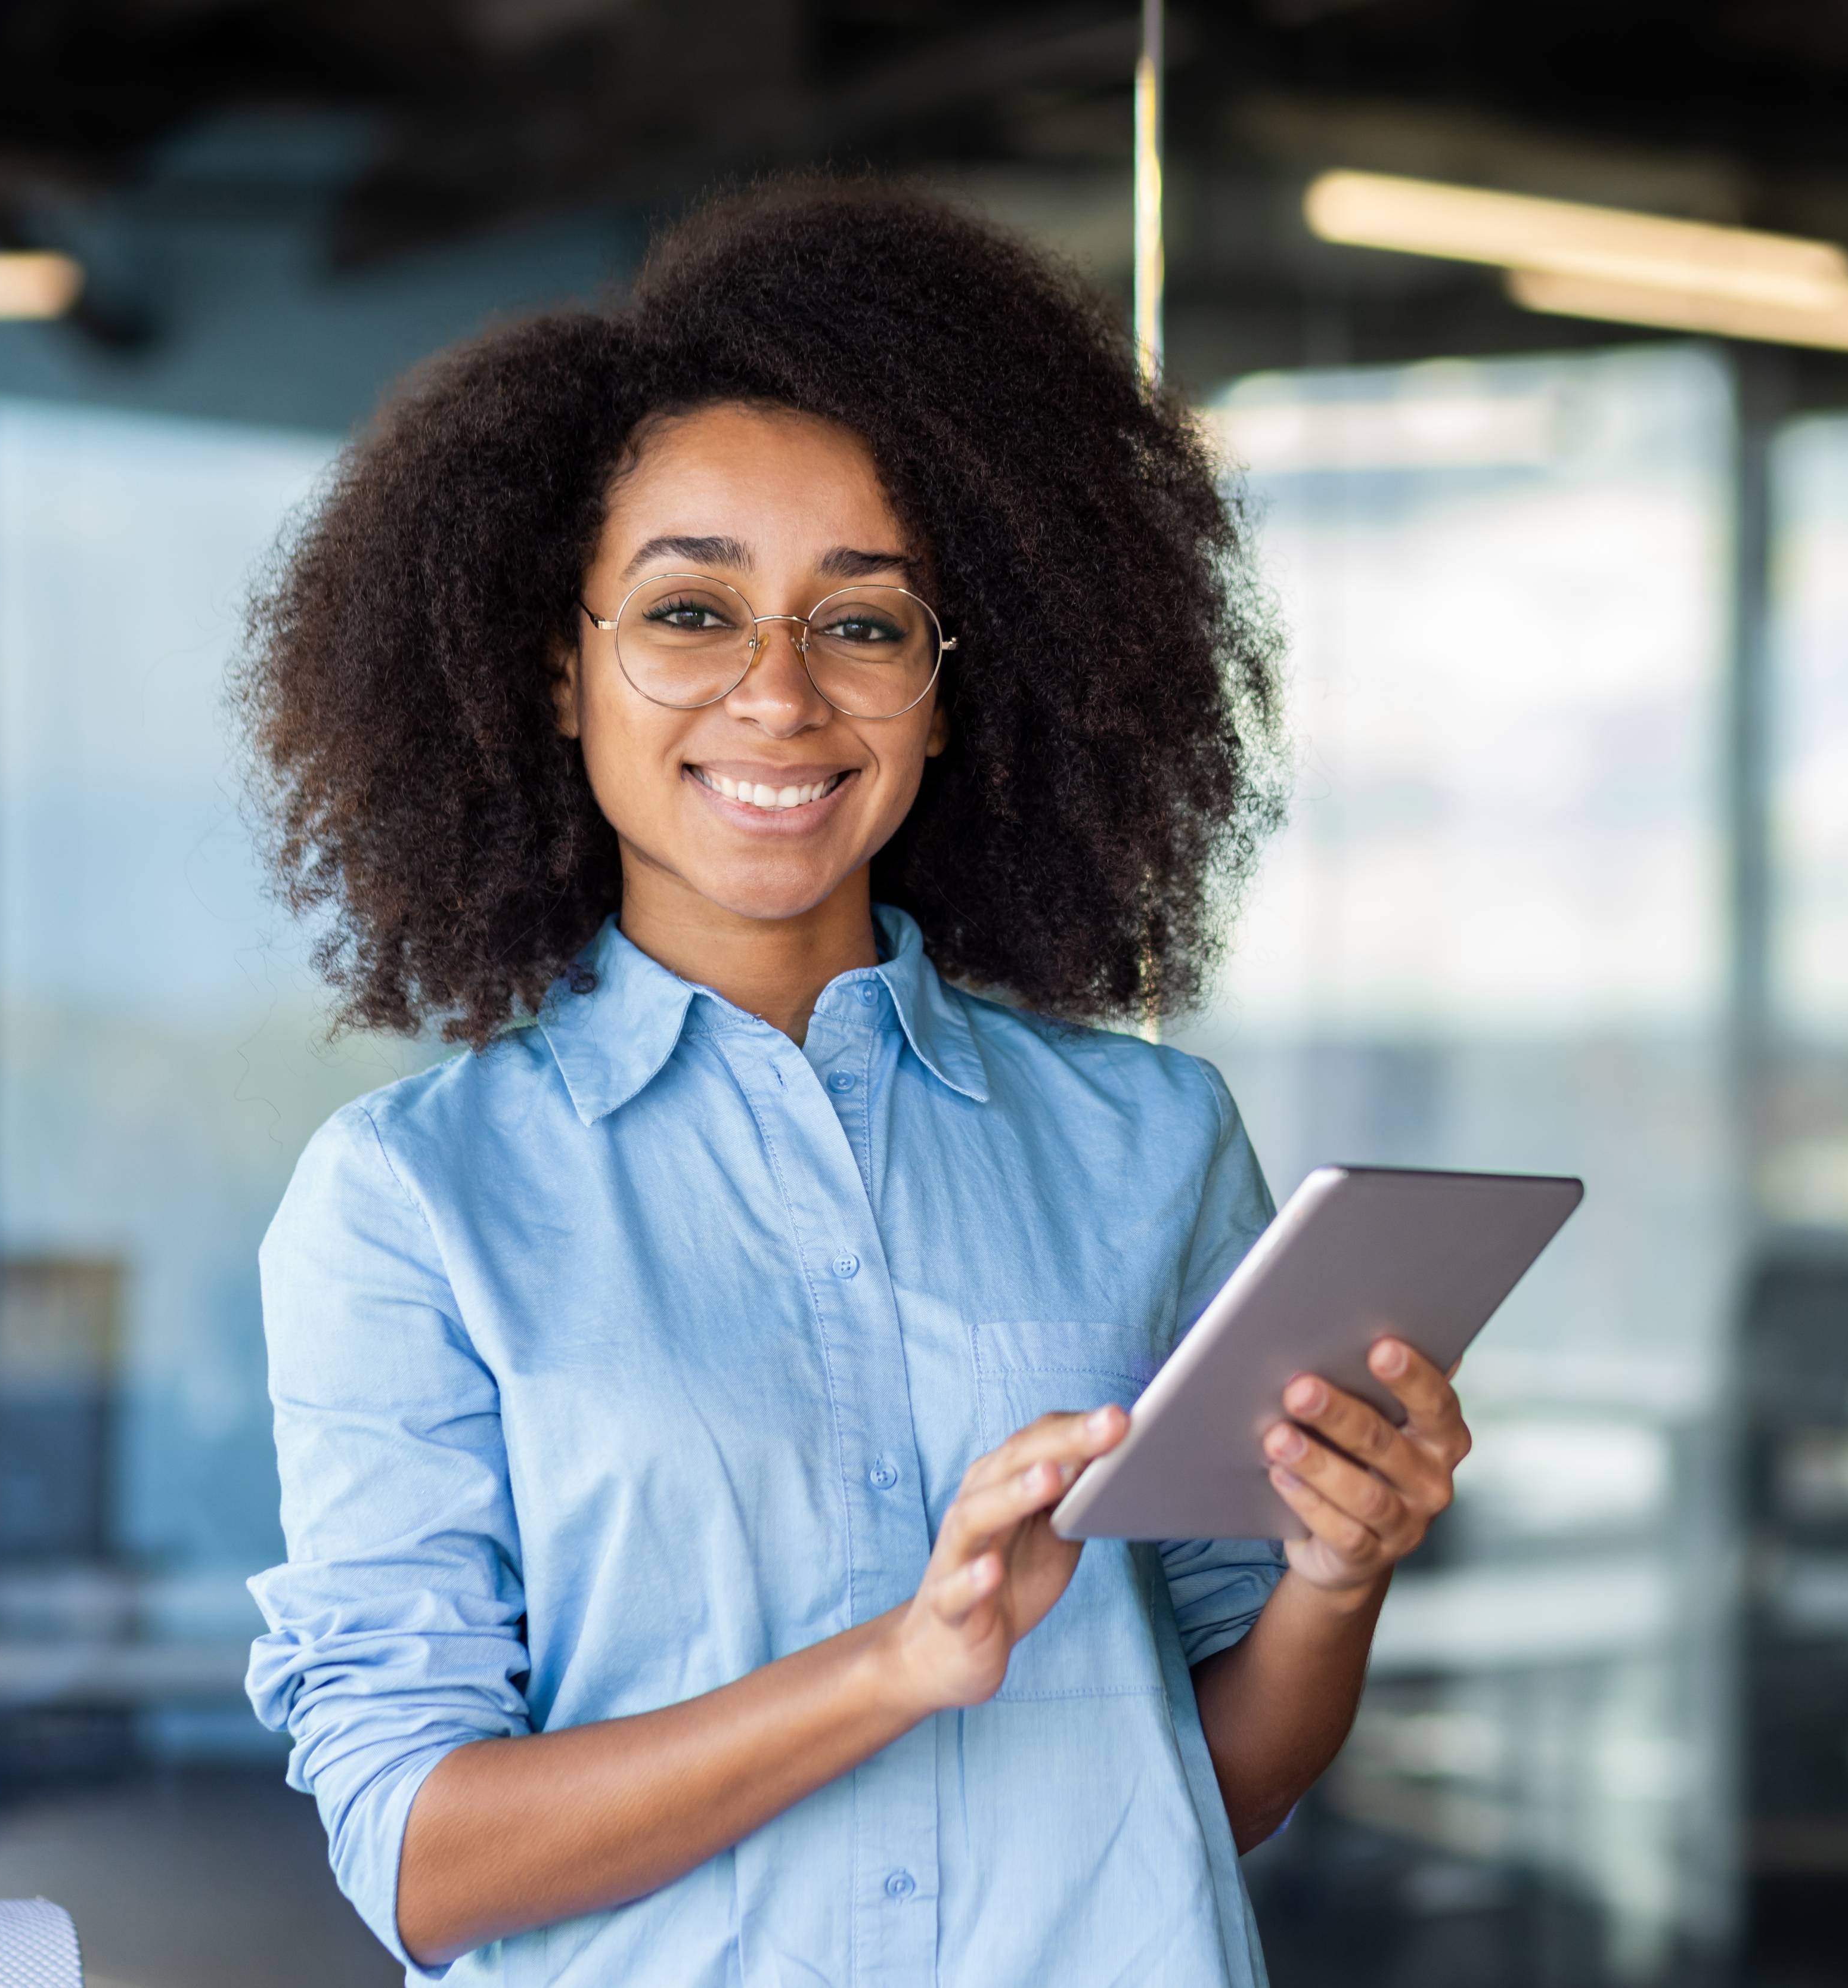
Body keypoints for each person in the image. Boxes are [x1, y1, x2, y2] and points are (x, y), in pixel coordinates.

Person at [237, 181, 1474, 1987]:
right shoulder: (411, 1203)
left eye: (866, 625)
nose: (779, 695)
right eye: (688, 613)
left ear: (957, 693)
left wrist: (1338, 1578)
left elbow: (1207, 1784)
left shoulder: (1150, 1144)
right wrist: (904, 1662)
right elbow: (417, 1857)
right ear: (555, 679)